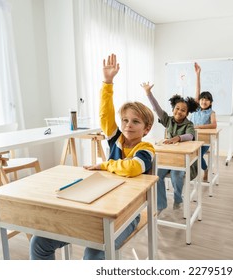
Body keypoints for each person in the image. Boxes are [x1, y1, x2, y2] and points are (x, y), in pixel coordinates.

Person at [30, 53, 155, 260]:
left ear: (147, 129)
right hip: (98, 206)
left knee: (94, 252)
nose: (128, 125)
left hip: (126, 214)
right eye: (124, 120)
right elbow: (105, 114)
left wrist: (105, 165)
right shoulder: (116, 138)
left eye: (135, 122)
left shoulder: (147, 148)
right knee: (39, 242)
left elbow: (133, 167)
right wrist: (108, 82)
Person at [141, 82, 198, 212]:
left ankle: (178, 198)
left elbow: (190, 135)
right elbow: (157, 109)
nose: (179, 111)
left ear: (187, 113)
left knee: (176, 176)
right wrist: (148, 93)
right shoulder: (168, 120)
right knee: (156, 175)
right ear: (173, 109)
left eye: (183, 110)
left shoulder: (189, 124)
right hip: (167, 158)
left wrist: (177, 138)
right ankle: (161, 204)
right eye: (177, 108)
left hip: (182, 159)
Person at [191, 62, 217, 182]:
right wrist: (197, 75)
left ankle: (205, 169)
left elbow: (214, 125)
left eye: (207, 100)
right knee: (188, 154)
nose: (203, 102)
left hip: (204, 141)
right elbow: (198, 90)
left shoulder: (211, 112)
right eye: (202, 99)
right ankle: (189, 172)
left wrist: (198, 127)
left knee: (198, 155)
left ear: (210, 102)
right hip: (192, 138)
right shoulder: (195, 108)